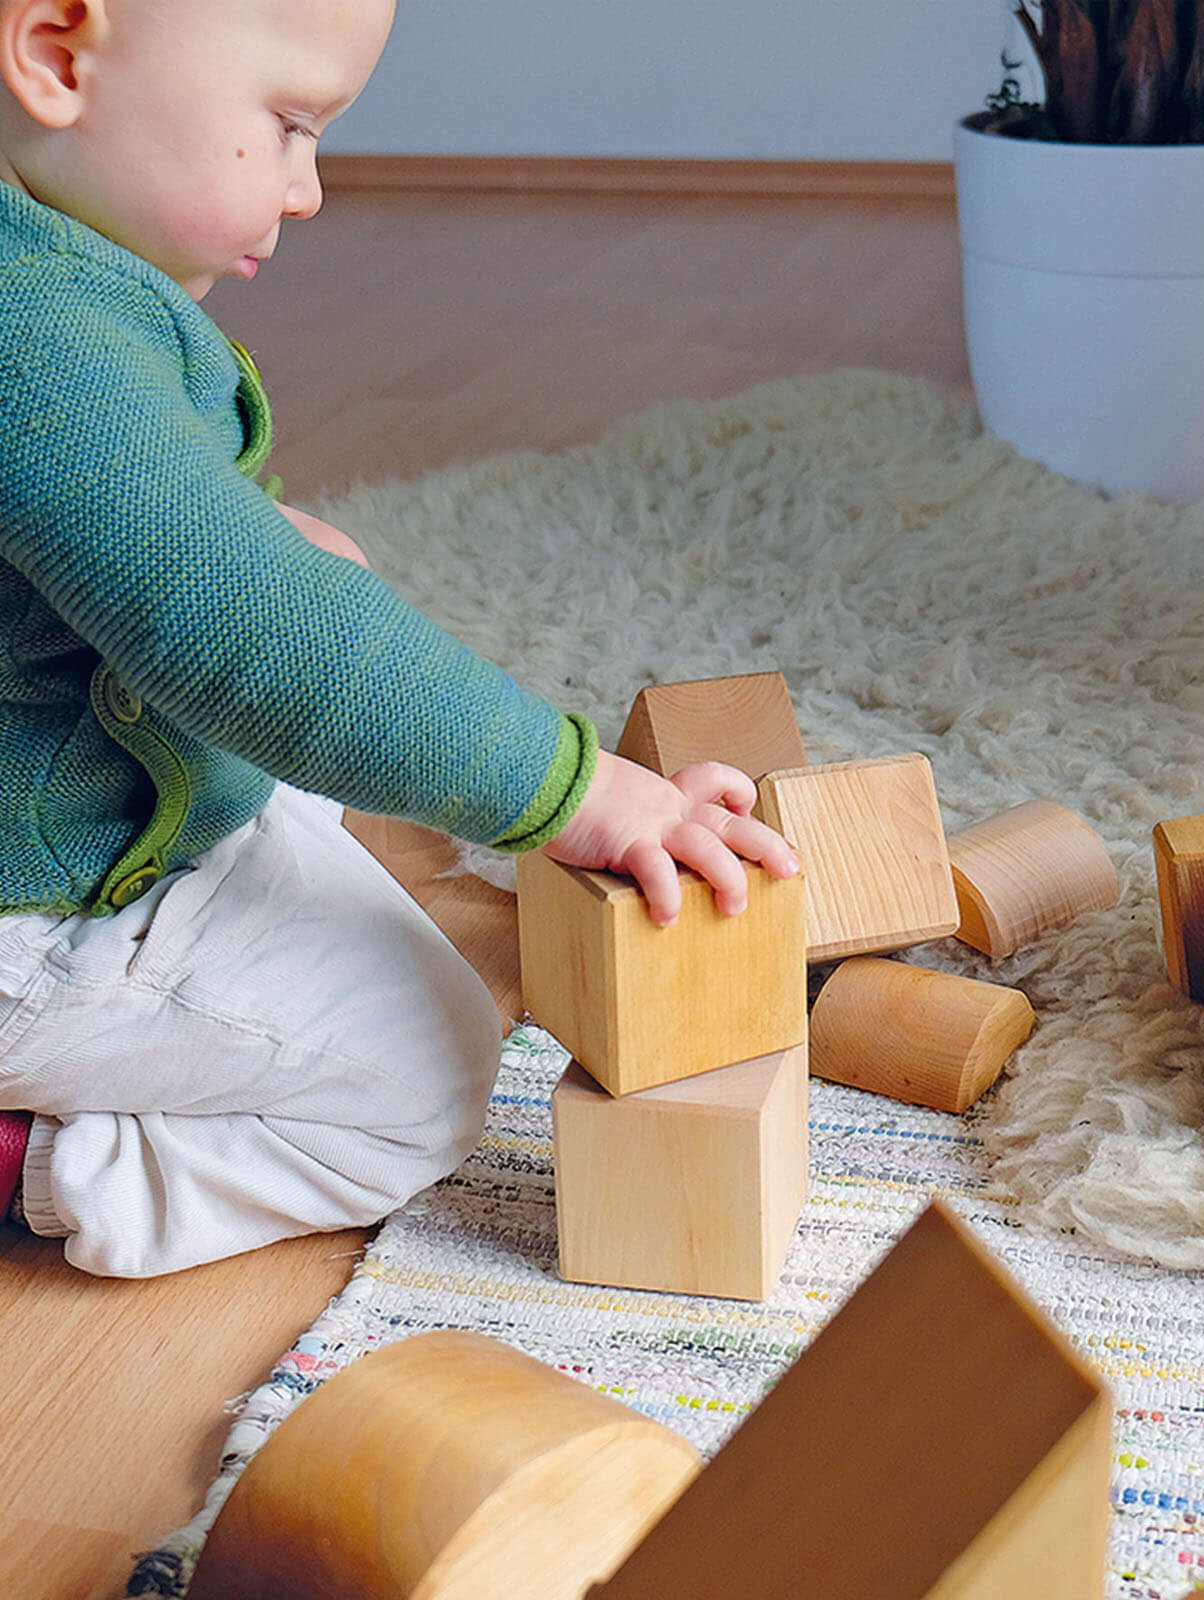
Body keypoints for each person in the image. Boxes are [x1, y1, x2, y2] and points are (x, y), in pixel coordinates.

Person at [0, 0, 799, 1276]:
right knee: (429, 1070)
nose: (310, 191)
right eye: (290, 125)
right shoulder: (37, 338)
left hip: (61, 801)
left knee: (316, 710)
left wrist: (256, 552)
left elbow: (115, 538)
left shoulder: (46, 275)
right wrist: (579, 794)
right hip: (31, 914)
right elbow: (252, 638)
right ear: (56, 58)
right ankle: (33, 1155)